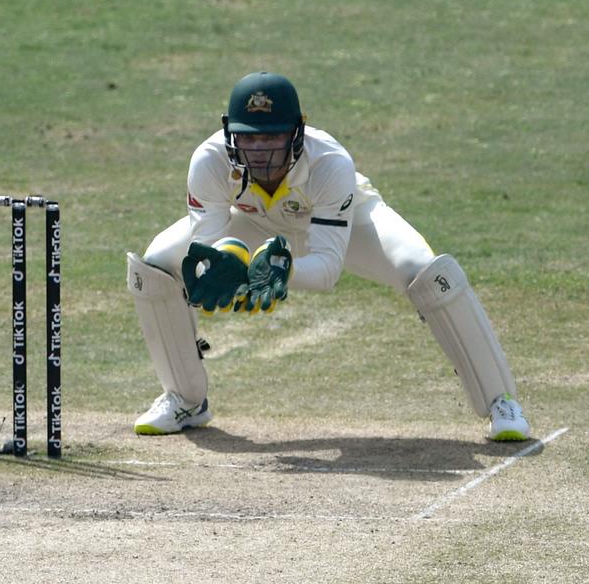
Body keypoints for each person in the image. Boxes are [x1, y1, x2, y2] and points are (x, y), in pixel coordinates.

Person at [125, 72, 530, 442]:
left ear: (297, 133)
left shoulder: (330, 163)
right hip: (253, 224)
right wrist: (227, 273)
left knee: (425, 271)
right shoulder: (210, 161)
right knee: (155, 265)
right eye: (249, 138)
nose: (259, 151)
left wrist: (278, 273)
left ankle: (501, 402)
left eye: (272, 138)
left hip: (347, 225)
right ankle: (185, 400)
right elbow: (210, 250)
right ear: (231, 134)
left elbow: (326, 271)